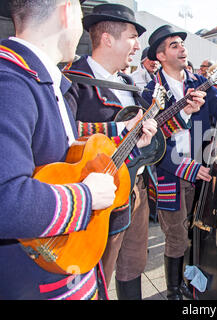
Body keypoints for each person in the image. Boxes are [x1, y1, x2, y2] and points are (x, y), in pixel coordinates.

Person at [0, 0, 156, 300]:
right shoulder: (11, 82)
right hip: (36, 282)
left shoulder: (37, 78)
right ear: (66, 9)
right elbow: (6, 199)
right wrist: (85, 198)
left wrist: (122, 133)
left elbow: (65, 138)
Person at [63, 4, 185, 300]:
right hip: (98, 200)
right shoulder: (72, 80)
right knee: (98, 270)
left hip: (137, 188)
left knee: (133, 264)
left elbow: (151, 130)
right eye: (132, 36)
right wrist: (119, 130)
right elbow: (65, 133)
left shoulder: (130, 83)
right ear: (108, 38)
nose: (138, 46)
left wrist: (155, 126)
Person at [142, 24, 217, 300]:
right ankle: (173, 290)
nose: (182, 48)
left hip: (202, 170)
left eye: (182, 43)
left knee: (197, 228)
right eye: (174, 45)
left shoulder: (197, 83)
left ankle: (190, 278)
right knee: (176, 236)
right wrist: (188, 168)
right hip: (171, 176)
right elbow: (152, 145)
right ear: (160, 56)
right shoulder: (152, 92)